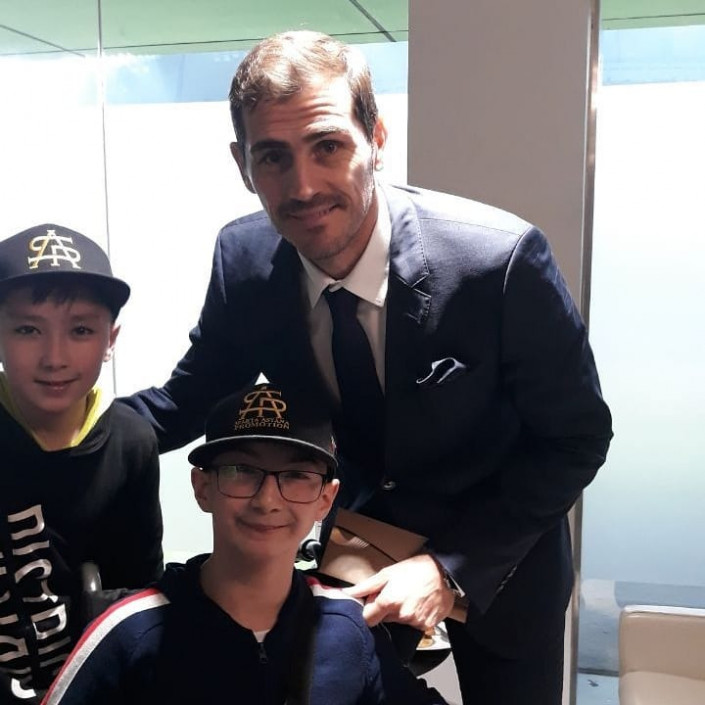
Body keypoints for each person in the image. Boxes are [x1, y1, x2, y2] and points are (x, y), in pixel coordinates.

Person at [122, 31, 613, 704]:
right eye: (273, 156)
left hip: (502, 559)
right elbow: (187, 399)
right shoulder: (245, 260)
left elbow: (576, 436)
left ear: (376, 138)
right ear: (242, 164)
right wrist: (53, 429)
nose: (303, 187)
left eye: (327, 146)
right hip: (360, 545)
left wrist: (448, 568)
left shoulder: (496, 262)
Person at [43, 381, 447, 705]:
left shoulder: (350, 629)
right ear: (203, 487)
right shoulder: (129, 633)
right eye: (241, 471)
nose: (267, 500)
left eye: (296, 476)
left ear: (326, 499)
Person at [0, 223, 163, 703]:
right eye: (28, 329)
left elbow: (139, 597)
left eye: (81, 330)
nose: (54, 358)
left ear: (111, 339)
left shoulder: (131, 443)